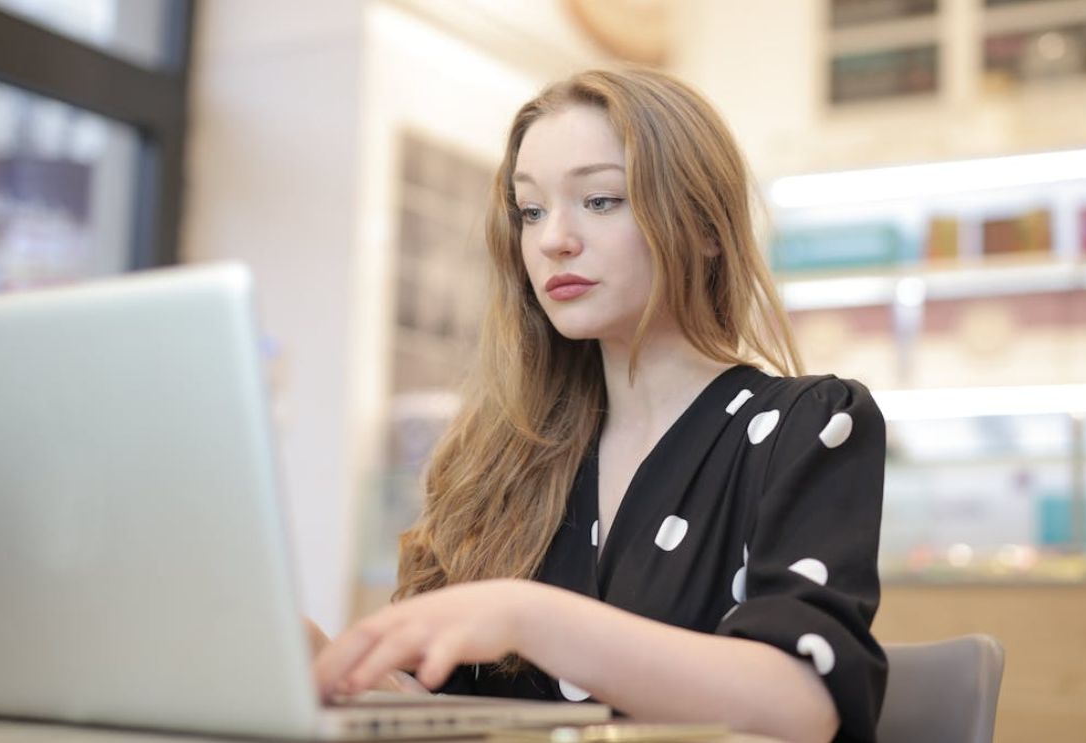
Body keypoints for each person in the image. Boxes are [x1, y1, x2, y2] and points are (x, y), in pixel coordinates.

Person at [313, 67, 887, 743]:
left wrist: (533, 619)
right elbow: (445, 711)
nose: (553, 238)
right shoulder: (503, 457)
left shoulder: (807, 424)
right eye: (530, 210)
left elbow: (801, 702)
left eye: (601, 200)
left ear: (705, 227)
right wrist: (320, 665)